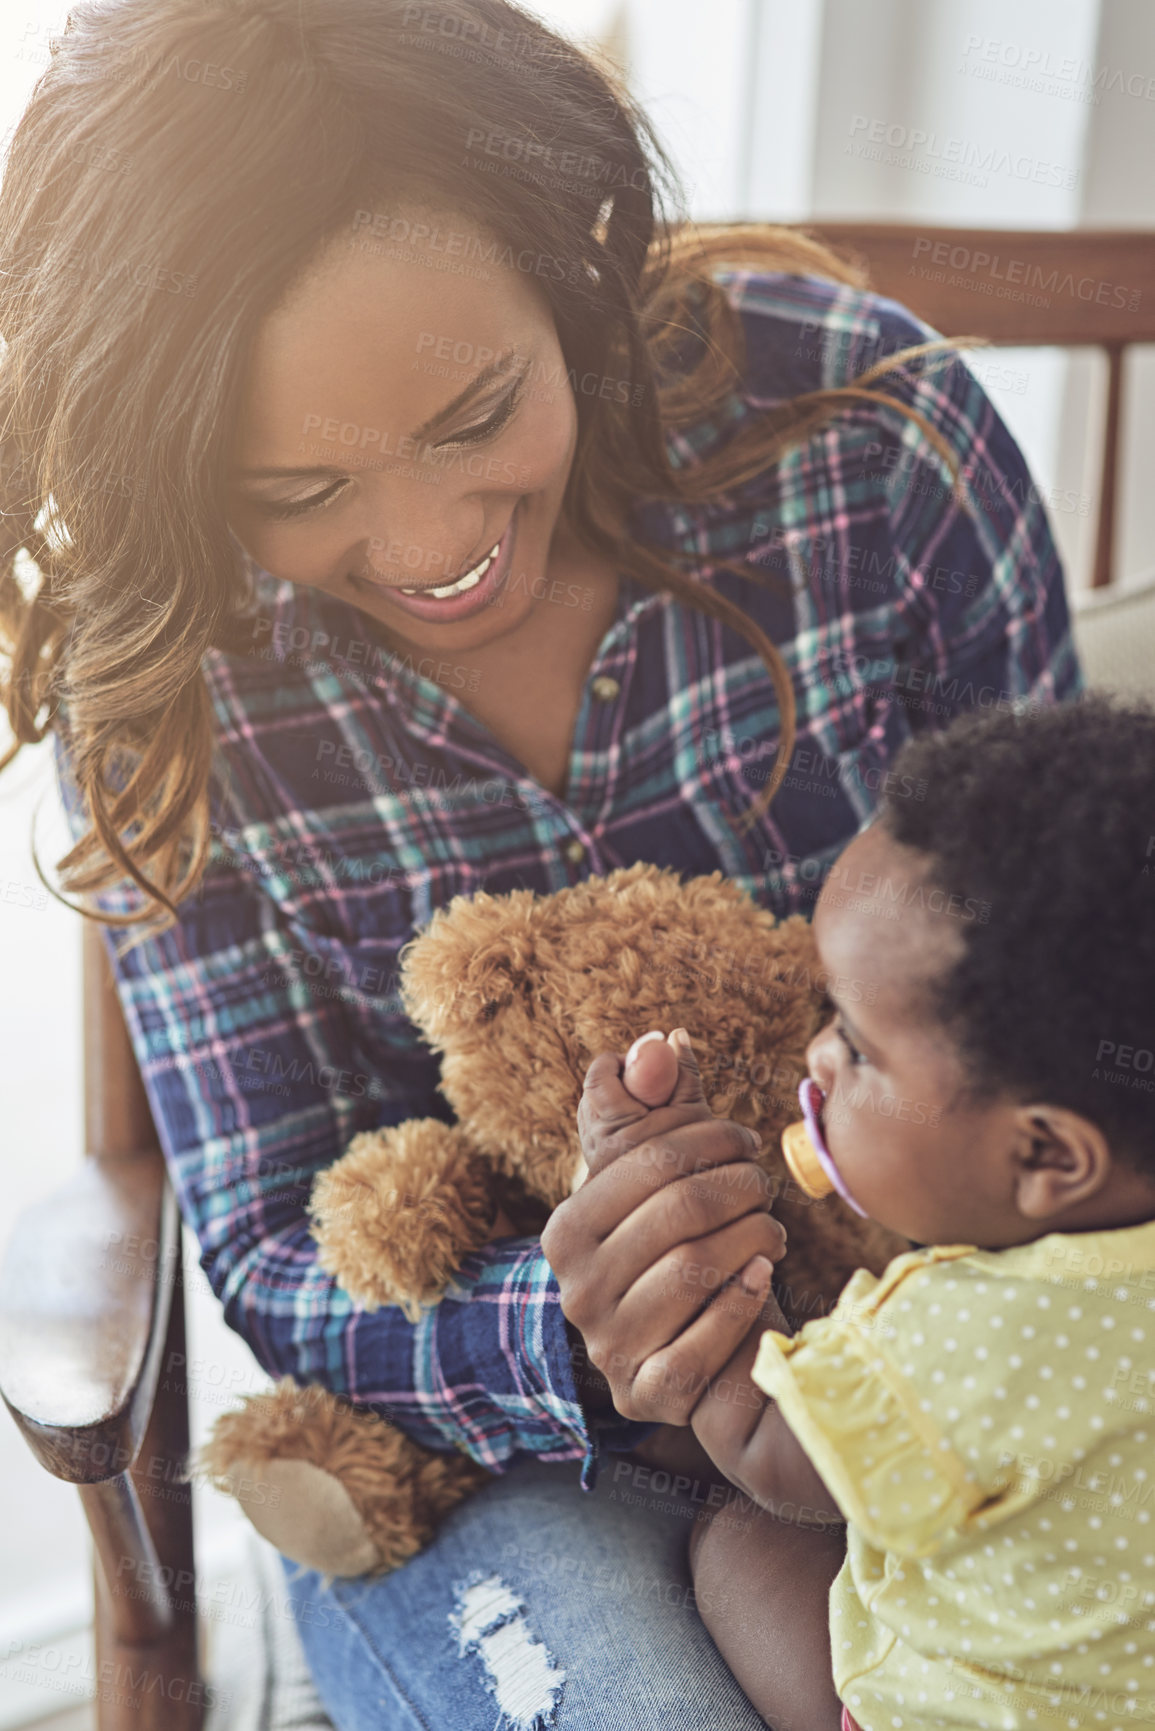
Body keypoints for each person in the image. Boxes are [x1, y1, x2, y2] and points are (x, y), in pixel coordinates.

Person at [0, 0, 1080, 1724]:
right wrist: (561, 1327)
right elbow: (279, 1234)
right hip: (487, 1453)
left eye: (477, 408)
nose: (430, 544)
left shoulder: (871, 446)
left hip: (959, 1356)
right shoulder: (166, 685)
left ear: (572, 267)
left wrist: (902, 1358)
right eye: (298, 484)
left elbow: (1080, 984)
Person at [551, 695, 1155, 1731]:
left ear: (1047, 1154)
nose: (818, 1058)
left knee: (743, 1540)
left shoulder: (955, 1335)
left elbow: (773, 1454)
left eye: (859, 1045)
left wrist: (665, 1215)